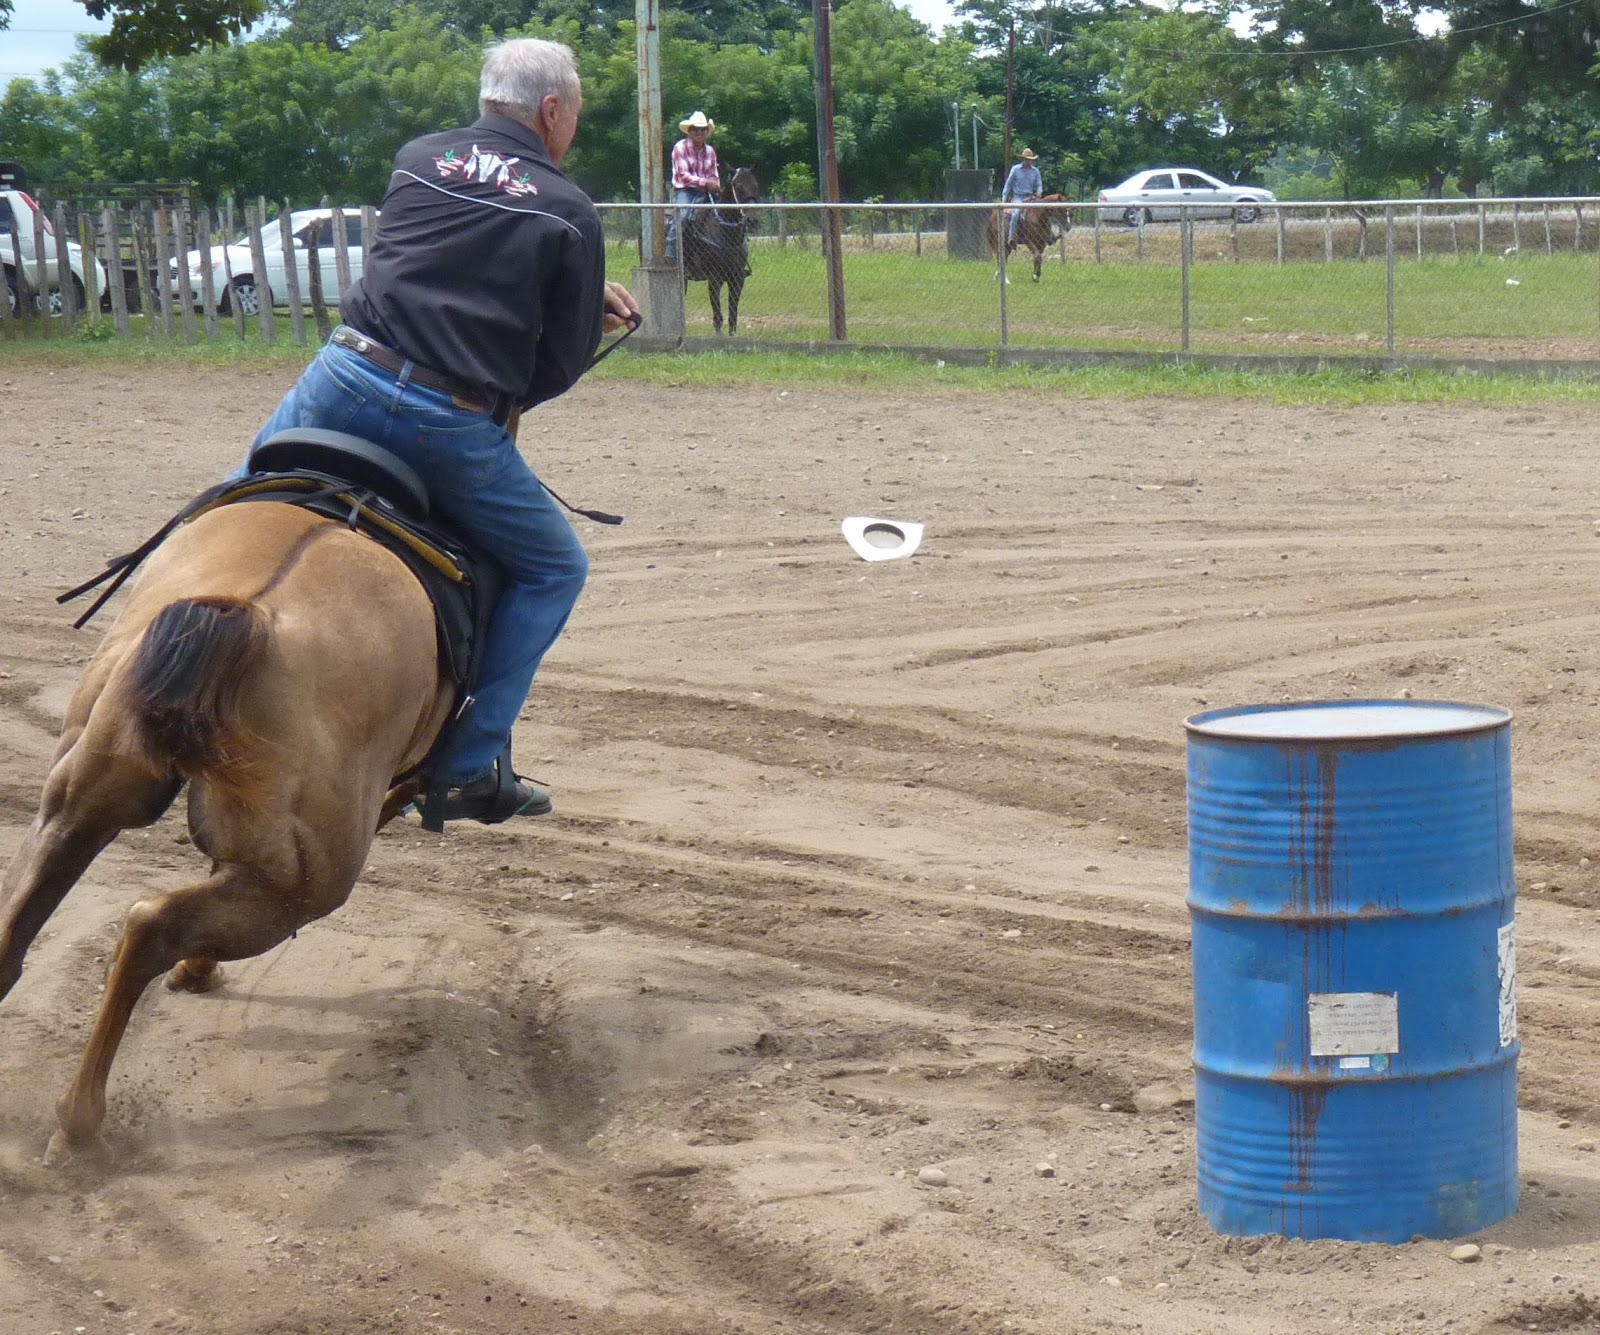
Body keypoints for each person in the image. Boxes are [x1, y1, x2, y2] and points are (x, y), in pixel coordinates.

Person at [251, 37, 639, 824]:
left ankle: (146, 652)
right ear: (553, 111)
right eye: (577, 116)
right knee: (554, 568)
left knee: (235, 506)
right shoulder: (568, 211)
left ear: (491, 96)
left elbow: (440, 261)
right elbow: (556, 365)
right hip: (443, 423)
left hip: (340, 377)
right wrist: (498, 385)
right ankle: (465, 766)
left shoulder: (419, 158)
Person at [665, 109, 720, 260]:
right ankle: (671, 250)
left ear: (707, 132)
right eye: (695, 129)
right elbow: (683, 175)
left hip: (705, 192)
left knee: (724, 214)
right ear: (689, 131)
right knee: (683, 216)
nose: (699, 132)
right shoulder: (680, 148)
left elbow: (713, 173)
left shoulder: (710, 151)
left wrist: (715, 183)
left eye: (702, 129)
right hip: (685, 191)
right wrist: (706, 182)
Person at [1001, 147, 1043, 245]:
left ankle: (1047, 235)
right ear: (1023, 159)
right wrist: (1004, 199)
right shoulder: (1015, 169)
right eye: (1027, 159)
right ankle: (1011, 236)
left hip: (1031, 197)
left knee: (1042, 212)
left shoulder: (1035, 171)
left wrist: (1039, 191)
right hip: (1018, 197)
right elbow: (1008, 184)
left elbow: (1039, 183)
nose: (1028, 162)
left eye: (1030, 160)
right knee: (1015, 214)